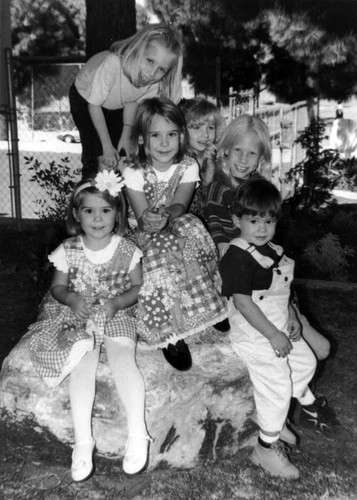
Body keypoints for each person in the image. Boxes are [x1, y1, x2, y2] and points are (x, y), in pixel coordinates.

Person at [29, 171, 151, 481]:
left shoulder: (126, 249)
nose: (98, 218)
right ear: (76, 215)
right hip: (79, 315)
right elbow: (57, 286)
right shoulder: (68, 249)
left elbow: (137, 287)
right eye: (89, 211)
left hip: (116, 313)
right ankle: (83, 442)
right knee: (83, 364)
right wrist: (70, 298)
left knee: (123, 357)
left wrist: (116, 304)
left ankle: (138, 433)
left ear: (118, 214)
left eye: (106, 210)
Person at [219, 178, 338, 479]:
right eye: (254, 220)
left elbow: (280, 293)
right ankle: (265, 448)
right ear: (237, 220)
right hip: (254, 333)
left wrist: (292, 318)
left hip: (280, 325)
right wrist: (272, 335)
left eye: (268, 221)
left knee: (306, 362)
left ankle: (279, 414)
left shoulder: (273, 250)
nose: (262, 228)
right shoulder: (237, 256)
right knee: (277, 384)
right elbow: (244, 304)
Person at [204, 114, 333, 363]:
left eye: (252, 154)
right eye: (237, 151)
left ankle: (293, 317)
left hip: (268, 274)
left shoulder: (260, 187)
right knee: (310, 349)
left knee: (321, 348)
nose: (243, 160)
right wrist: (224, 251)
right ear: (226, 151)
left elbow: (272, 242)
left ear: (261, 157)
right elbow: (217, 227)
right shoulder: (218, 187)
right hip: (241, 268)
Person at [122, 96, 228, 371]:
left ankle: (209, 304)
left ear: (181, 137)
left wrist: (168, 214)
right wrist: (151, 218)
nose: (164, 142)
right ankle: (168, 334)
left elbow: (181, 202)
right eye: (155, 135)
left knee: (192, 229)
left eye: (171, 134)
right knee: (157, 256)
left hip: (174, 219)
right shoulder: (134, 170)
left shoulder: (187, 166)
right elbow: (141, 213)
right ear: (143, 139)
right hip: (143, 230)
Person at [69, 24, 183, 179]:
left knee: (120, 155)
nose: (152, 73)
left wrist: (126, 132)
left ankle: (115, 197)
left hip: (117, 103)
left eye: (161, 69)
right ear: (139, 50)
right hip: (85, 99)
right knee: (98, 154)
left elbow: (132, 101)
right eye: (150, 61)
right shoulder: (113, 63)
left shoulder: (154, 83)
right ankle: (89, 196)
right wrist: (107, 146)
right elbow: (94, 105)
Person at [179, 97, 223, 219]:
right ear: (182, 130)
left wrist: (210, 171)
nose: (205, 135)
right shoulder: (181, 155)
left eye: (211, 128)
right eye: (196, 127)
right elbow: (183, 185)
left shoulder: (212, 153)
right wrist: (200, 159)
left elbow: (206, 190)